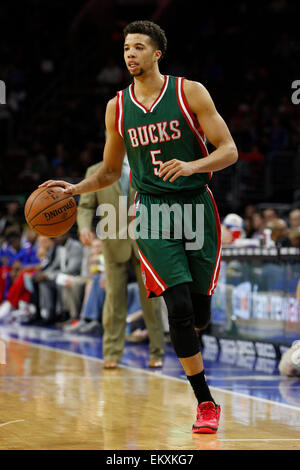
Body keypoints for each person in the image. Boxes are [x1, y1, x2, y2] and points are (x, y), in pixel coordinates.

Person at [39, 20, 238, 434]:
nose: (130, 54)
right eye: (126, 48)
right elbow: (111, 171)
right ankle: (205, 402)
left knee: (198, 310)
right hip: (150, 212)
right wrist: (74, 188)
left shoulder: (190, 92)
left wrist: (192, 165)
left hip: (196, 208)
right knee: (178, 309)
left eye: (138, 47)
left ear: (156, 53)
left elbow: (229, 150)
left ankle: (193, 333)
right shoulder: (118, 107)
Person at [76, 159, 165, 368]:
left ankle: (157, 351)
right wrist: (83, 228)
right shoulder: (95, 170)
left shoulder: (146, 162)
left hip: (146, 241)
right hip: (113, 240)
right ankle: (111, 353)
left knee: (152, 301)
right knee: (114, 299)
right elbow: (86, 205)